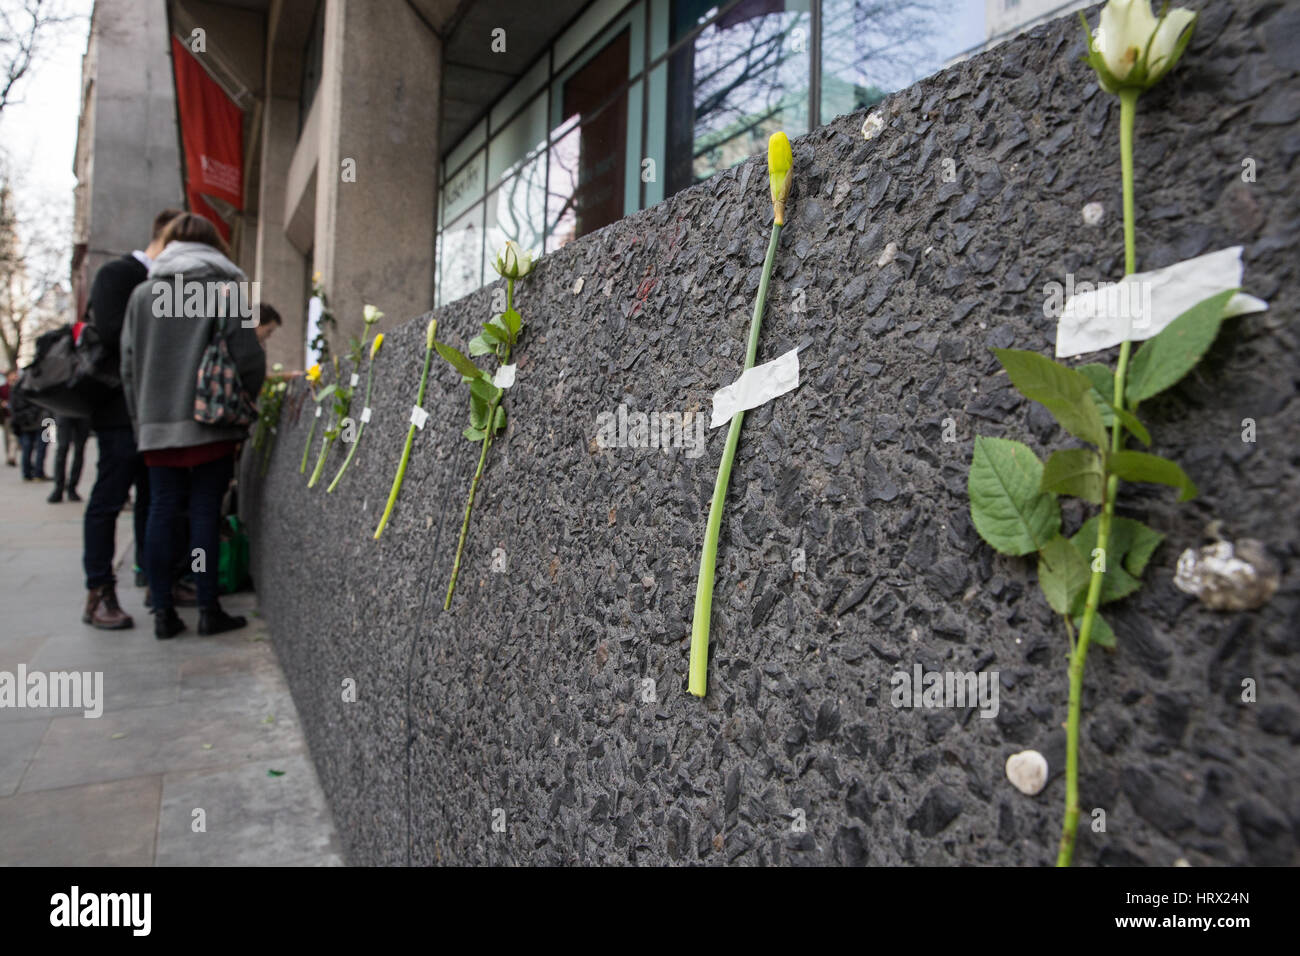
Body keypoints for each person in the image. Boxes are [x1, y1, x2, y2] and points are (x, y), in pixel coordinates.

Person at [121, 213, 265, 639]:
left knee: (160, 510)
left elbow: (127, 367)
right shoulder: (227, 290)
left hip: (155, 424)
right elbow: (250, 359)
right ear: (214, 246)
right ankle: (207, 607)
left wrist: (141, 420)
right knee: (205, 511)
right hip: (211, 423)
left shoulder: (142, 294)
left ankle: (163, 611)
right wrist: (246, 399)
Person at [81, 208, 183, 630]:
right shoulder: (118, 274)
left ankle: (156, 580)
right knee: (109, 499)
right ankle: (99, 591)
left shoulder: (172, 284)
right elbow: (111, 334)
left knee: (155, 497)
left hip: (157, 410)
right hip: (120, 410)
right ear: (166, 240)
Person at [10, 382, 48, 481]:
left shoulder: (18, 384)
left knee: (28, 447)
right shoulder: (39, 381)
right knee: (40, 447)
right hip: (40, 421)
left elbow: (14, 405)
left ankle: (28, 473)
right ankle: (37, 473)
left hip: (27, 421)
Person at [48, 413, 90, 502]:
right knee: (62, 448)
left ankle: (72, 488)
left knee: (79, 450)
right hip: (63, 410)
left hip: (82, 412)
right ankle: (59, 488)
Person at [1, 369, 18, 466]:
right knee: (7, 437)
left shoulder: (18, 387)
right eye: (12, 375)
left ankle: (12, 456)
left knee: (14, 437)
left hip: (16, 415)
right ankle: (9, 454)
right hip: (6, 415)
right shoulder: (3, 388)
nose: (14, 377)